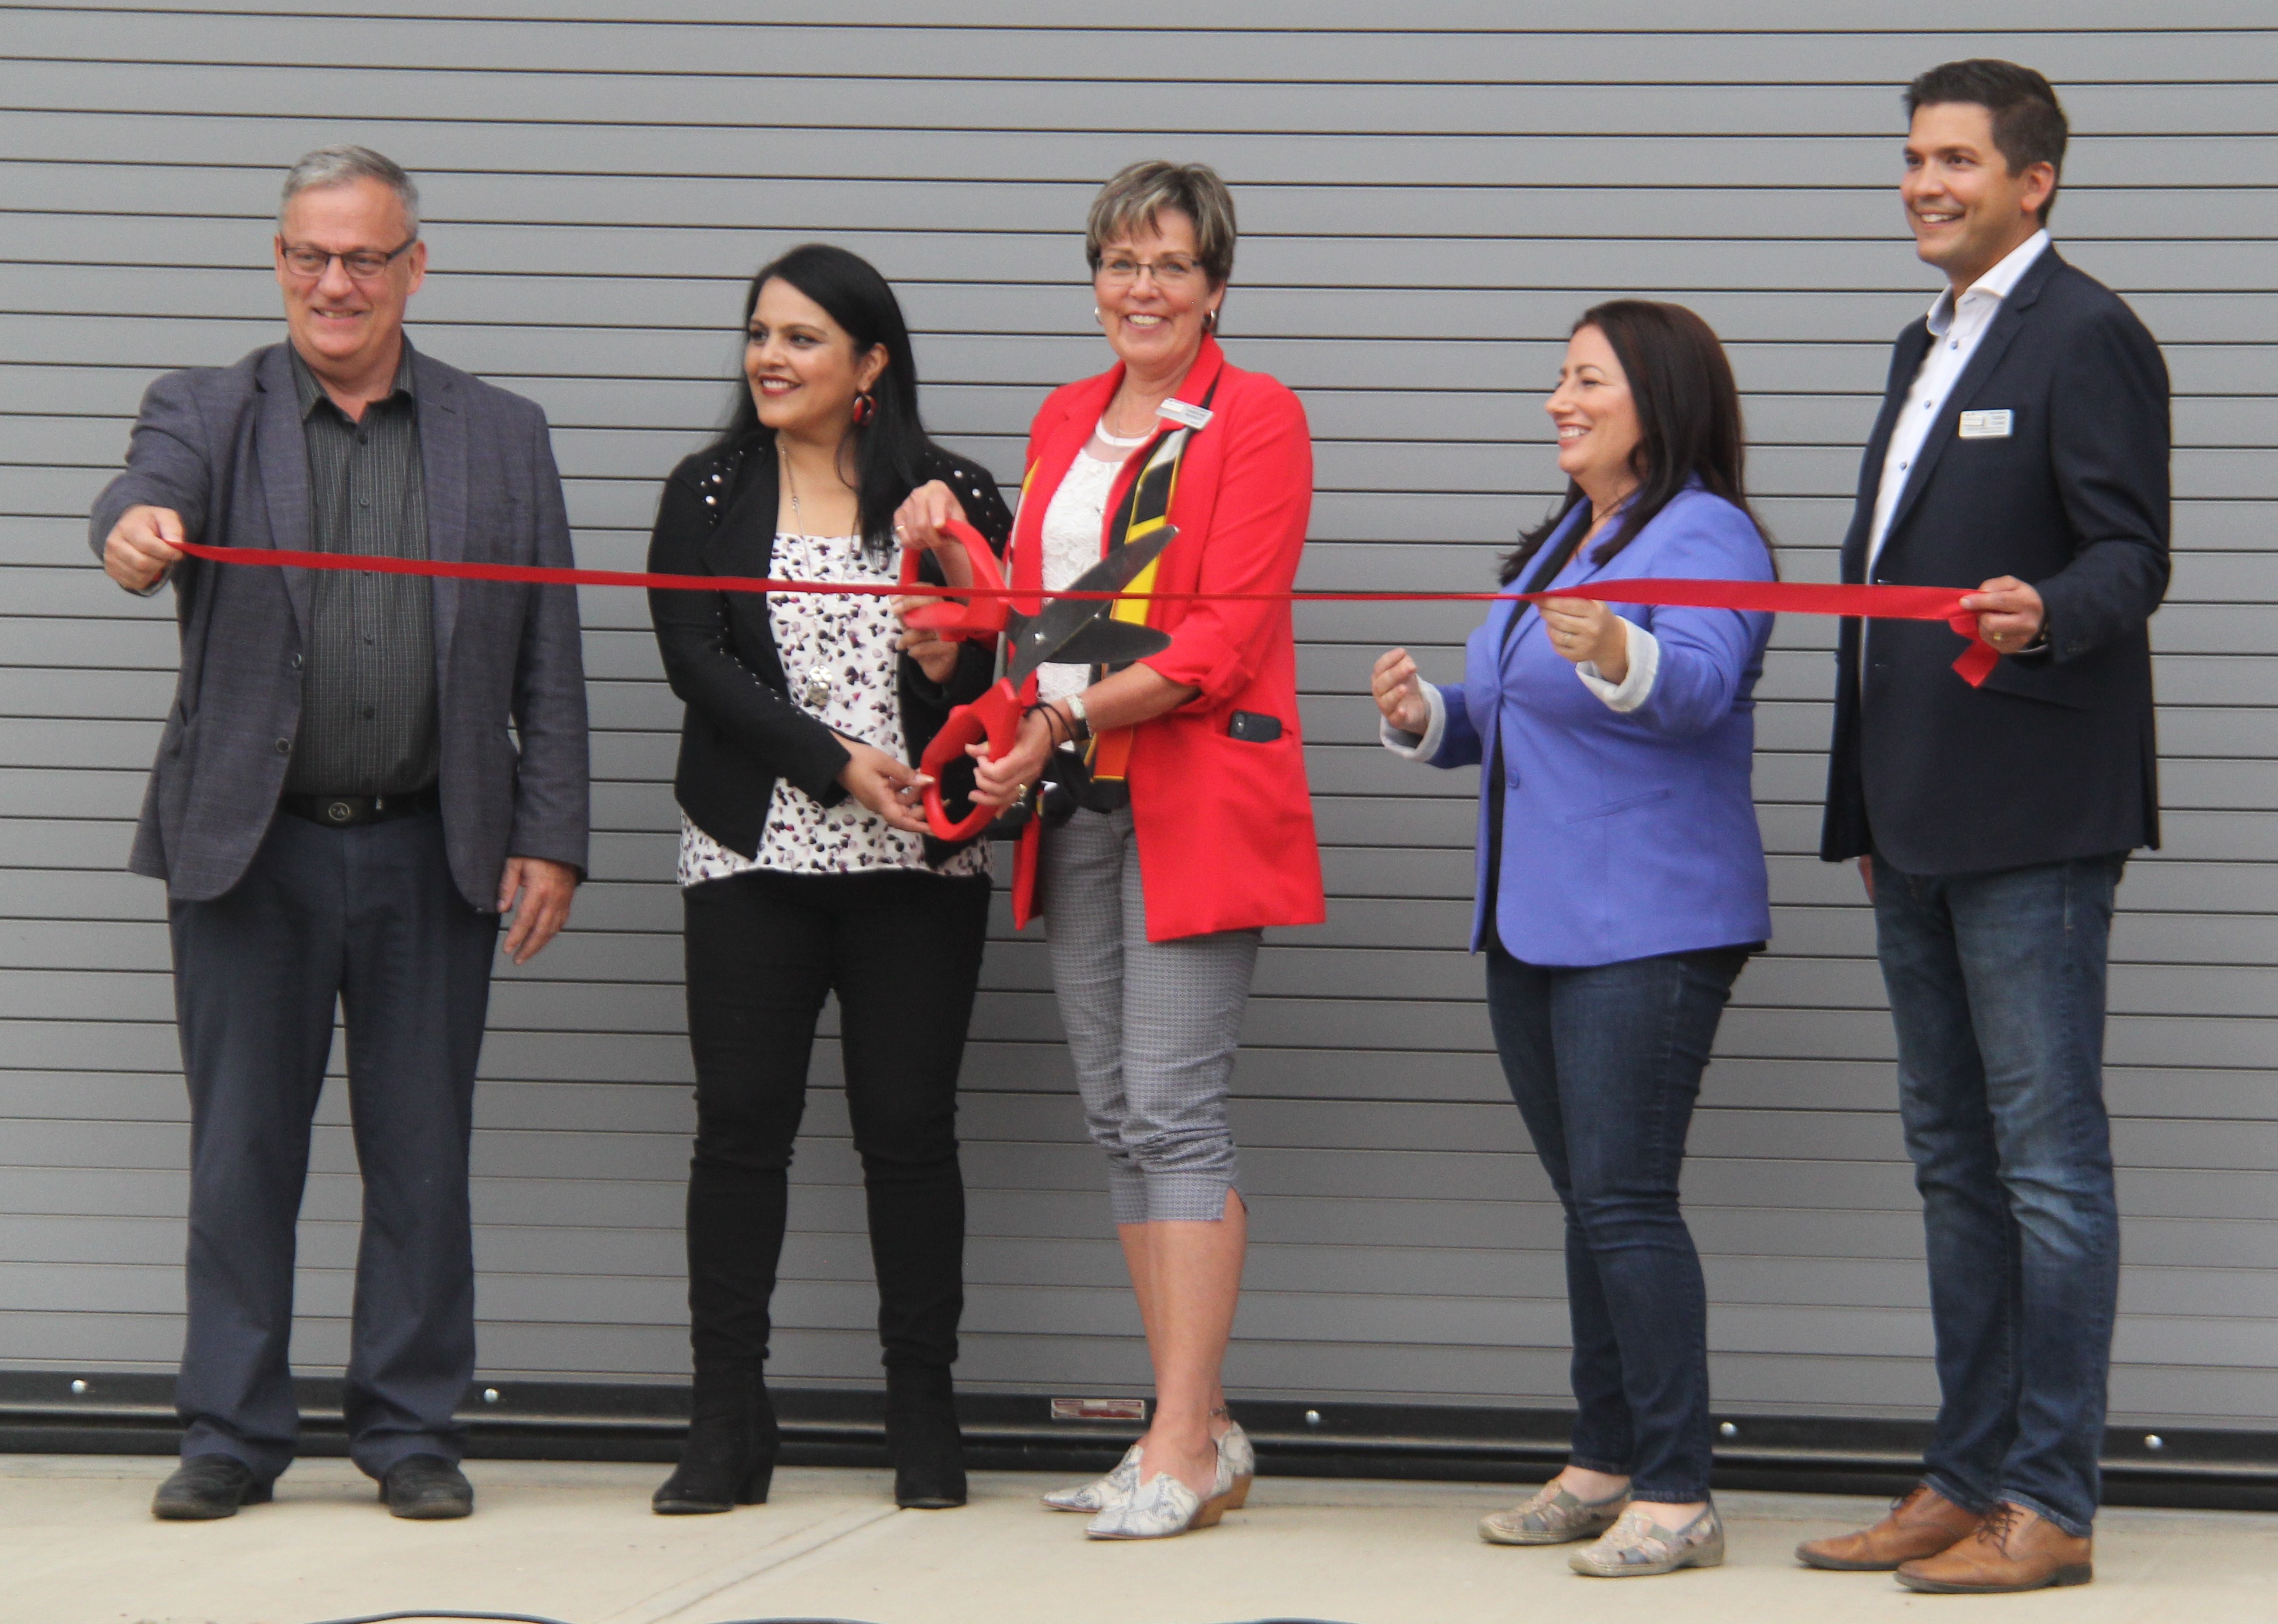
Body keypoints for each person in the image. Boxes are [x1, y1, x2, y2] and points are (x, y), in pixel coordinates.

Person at [90, 146, 590, 1522]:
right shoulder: (208, 409)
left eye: (365, 256)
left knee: (422, 1154)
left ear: (414, 267)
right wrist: (133, 530)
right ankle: (231, 1436)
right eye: (310, 254)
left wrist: (550, 831)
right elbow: (139, 494)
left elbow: (549, 645)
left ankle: (411, 1430)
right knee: (241, 1151)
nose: (335, 282)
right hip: (253, 849)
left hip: (437, 844)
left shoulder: (502, 430)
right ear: (278, 262)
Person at [895, 160, 1322, 1541]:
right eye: (1119, 262)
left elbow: (1219, 640)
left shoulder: (1257, 419)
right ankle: (1178, 1426)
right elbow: (1041, 611)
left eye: (1170, 265)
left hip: (1188, 792)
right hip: (1073, 792)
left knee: (1175, 1109)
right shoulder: (1066, 413)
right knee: (1118, 1118)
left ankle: (1186, 1440)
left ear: (1215, 287)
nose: (1142, 288)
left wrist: (1059, 703)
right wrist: (955, 580)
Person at [1797, 61, 2167, 1596]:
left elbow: (2128, 555)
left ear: (2034, 180)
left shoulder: (2084, 334)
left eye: (1952, 159)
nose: (1918, 183)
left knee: (2045, 1168)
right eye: (1908, 158)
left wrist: (2040, 617)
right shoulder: (1922, 341)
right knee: (1953, 1161)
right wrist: (1868, 792)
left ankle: (2050, 1497)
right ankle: (1962, 1473)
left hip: (2027, 811)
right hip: (1916, 808)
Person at [1372, 301, 1774, 1578]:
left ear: (1653, 400)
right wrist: (1424, 714)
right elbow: (1507, 721)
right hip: (1535, 919)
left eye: (1585, 379)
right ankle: (1603, 1459)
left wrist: (1624, 651)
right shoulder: (1569, 535)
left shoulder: (1707, 531)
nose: (1558, 399)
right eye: (1558, 378)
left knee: (1625, 1202)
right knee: (1589, 1203)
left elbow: (1703, 684)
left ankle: (1676, 1488)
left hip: (1644, 923)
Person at [644, 244, 1014, 1516]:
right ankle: (725, 1423)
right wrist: (830, 765)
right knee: (739, 1133)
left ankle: (923, 1415)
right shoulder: (706, 492)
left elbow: (992, 675)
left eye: (802, 338)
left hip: (916, 863)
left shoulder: (952, 493)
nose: (769, 357)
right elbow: (695, 661)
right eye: (759, 332)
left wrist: (939, 655)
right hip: (753, 855)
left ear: (870, 364)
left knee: (908, 1138)